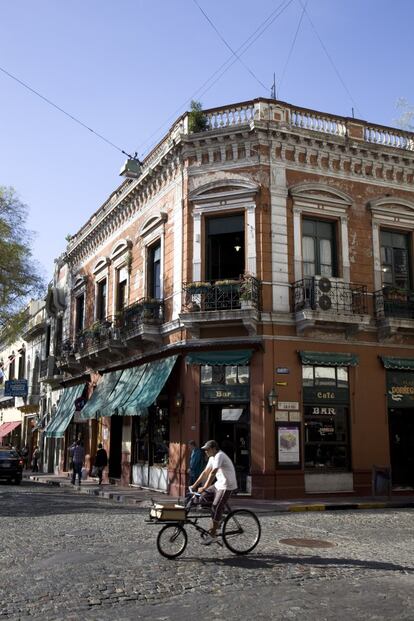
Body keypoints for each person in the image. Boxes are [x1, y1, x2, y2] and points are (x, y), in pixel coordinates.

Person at [190, 439, 238, 545]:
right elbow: (205, 472)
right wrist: (194, 486)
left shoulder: (219, 455)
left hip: (227, 485)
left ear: (213, 449)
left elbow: (213, 473)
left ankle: (212, 535)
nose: (205, 452)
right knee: (203, 497)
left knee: (216, 506)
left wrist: (205, 486)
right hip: (218, 484)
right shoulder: (212, 458)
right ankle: (219, 517)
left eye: (207, 450)